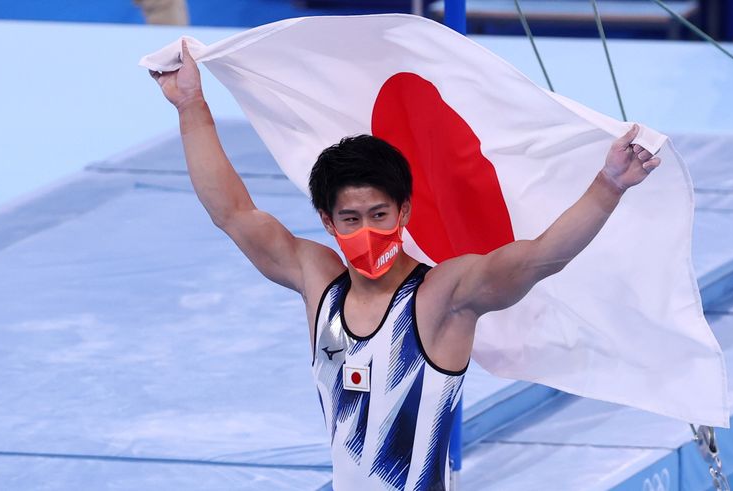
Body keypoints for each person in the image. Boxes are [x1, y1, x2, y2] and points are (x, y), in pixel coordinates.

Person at [149, 41, 660, 490]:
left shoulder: (444, 296)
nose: (367, 231)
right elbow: (233, 213)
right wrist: (191, 104)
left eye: (379, 215)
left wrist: (608, 186)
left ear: (405, 212)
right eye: (350, 219)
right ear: (327, 221)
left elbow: (540, 257)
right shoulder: (317, 279)